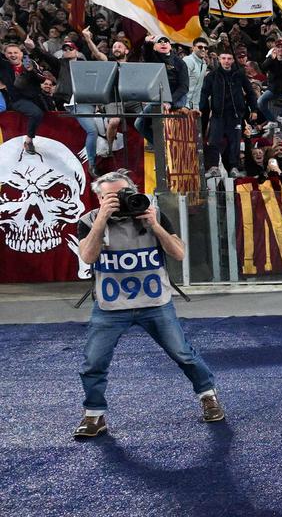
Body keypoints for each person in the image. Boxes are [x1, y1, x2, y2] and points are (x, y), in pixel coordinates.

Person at [73, 170, 225, 439]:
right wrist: (102, 221)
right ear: (98, 199)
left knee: (183, 353)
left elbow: (178, 253)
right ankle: (94, 415)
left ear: (133, 190)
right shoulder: (89, 221)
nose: (120, 201)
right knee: (93, 361)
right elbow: (87, 256)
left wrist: (154, 225)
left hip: (155, 302)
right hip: (110, 306)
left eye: (123, 194)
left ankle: (208, 396)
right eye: (111, 197)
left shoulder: (151, 213)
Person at [199, 49, 257, 176]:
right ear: (219, 59)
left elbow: (251, 92)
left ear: (232, 60)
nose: (226, 61)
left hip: (235, 114)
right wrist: (200, 108)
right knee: (214, 140)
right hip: (217, 114)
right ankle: (213, 166)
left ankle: (234, 167)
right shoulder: (212, 75)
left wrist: (254, 109)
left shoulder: (239, 74)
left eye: (229, 58)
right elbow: (204, 94)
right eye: (224, 58)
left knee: (235, 141)